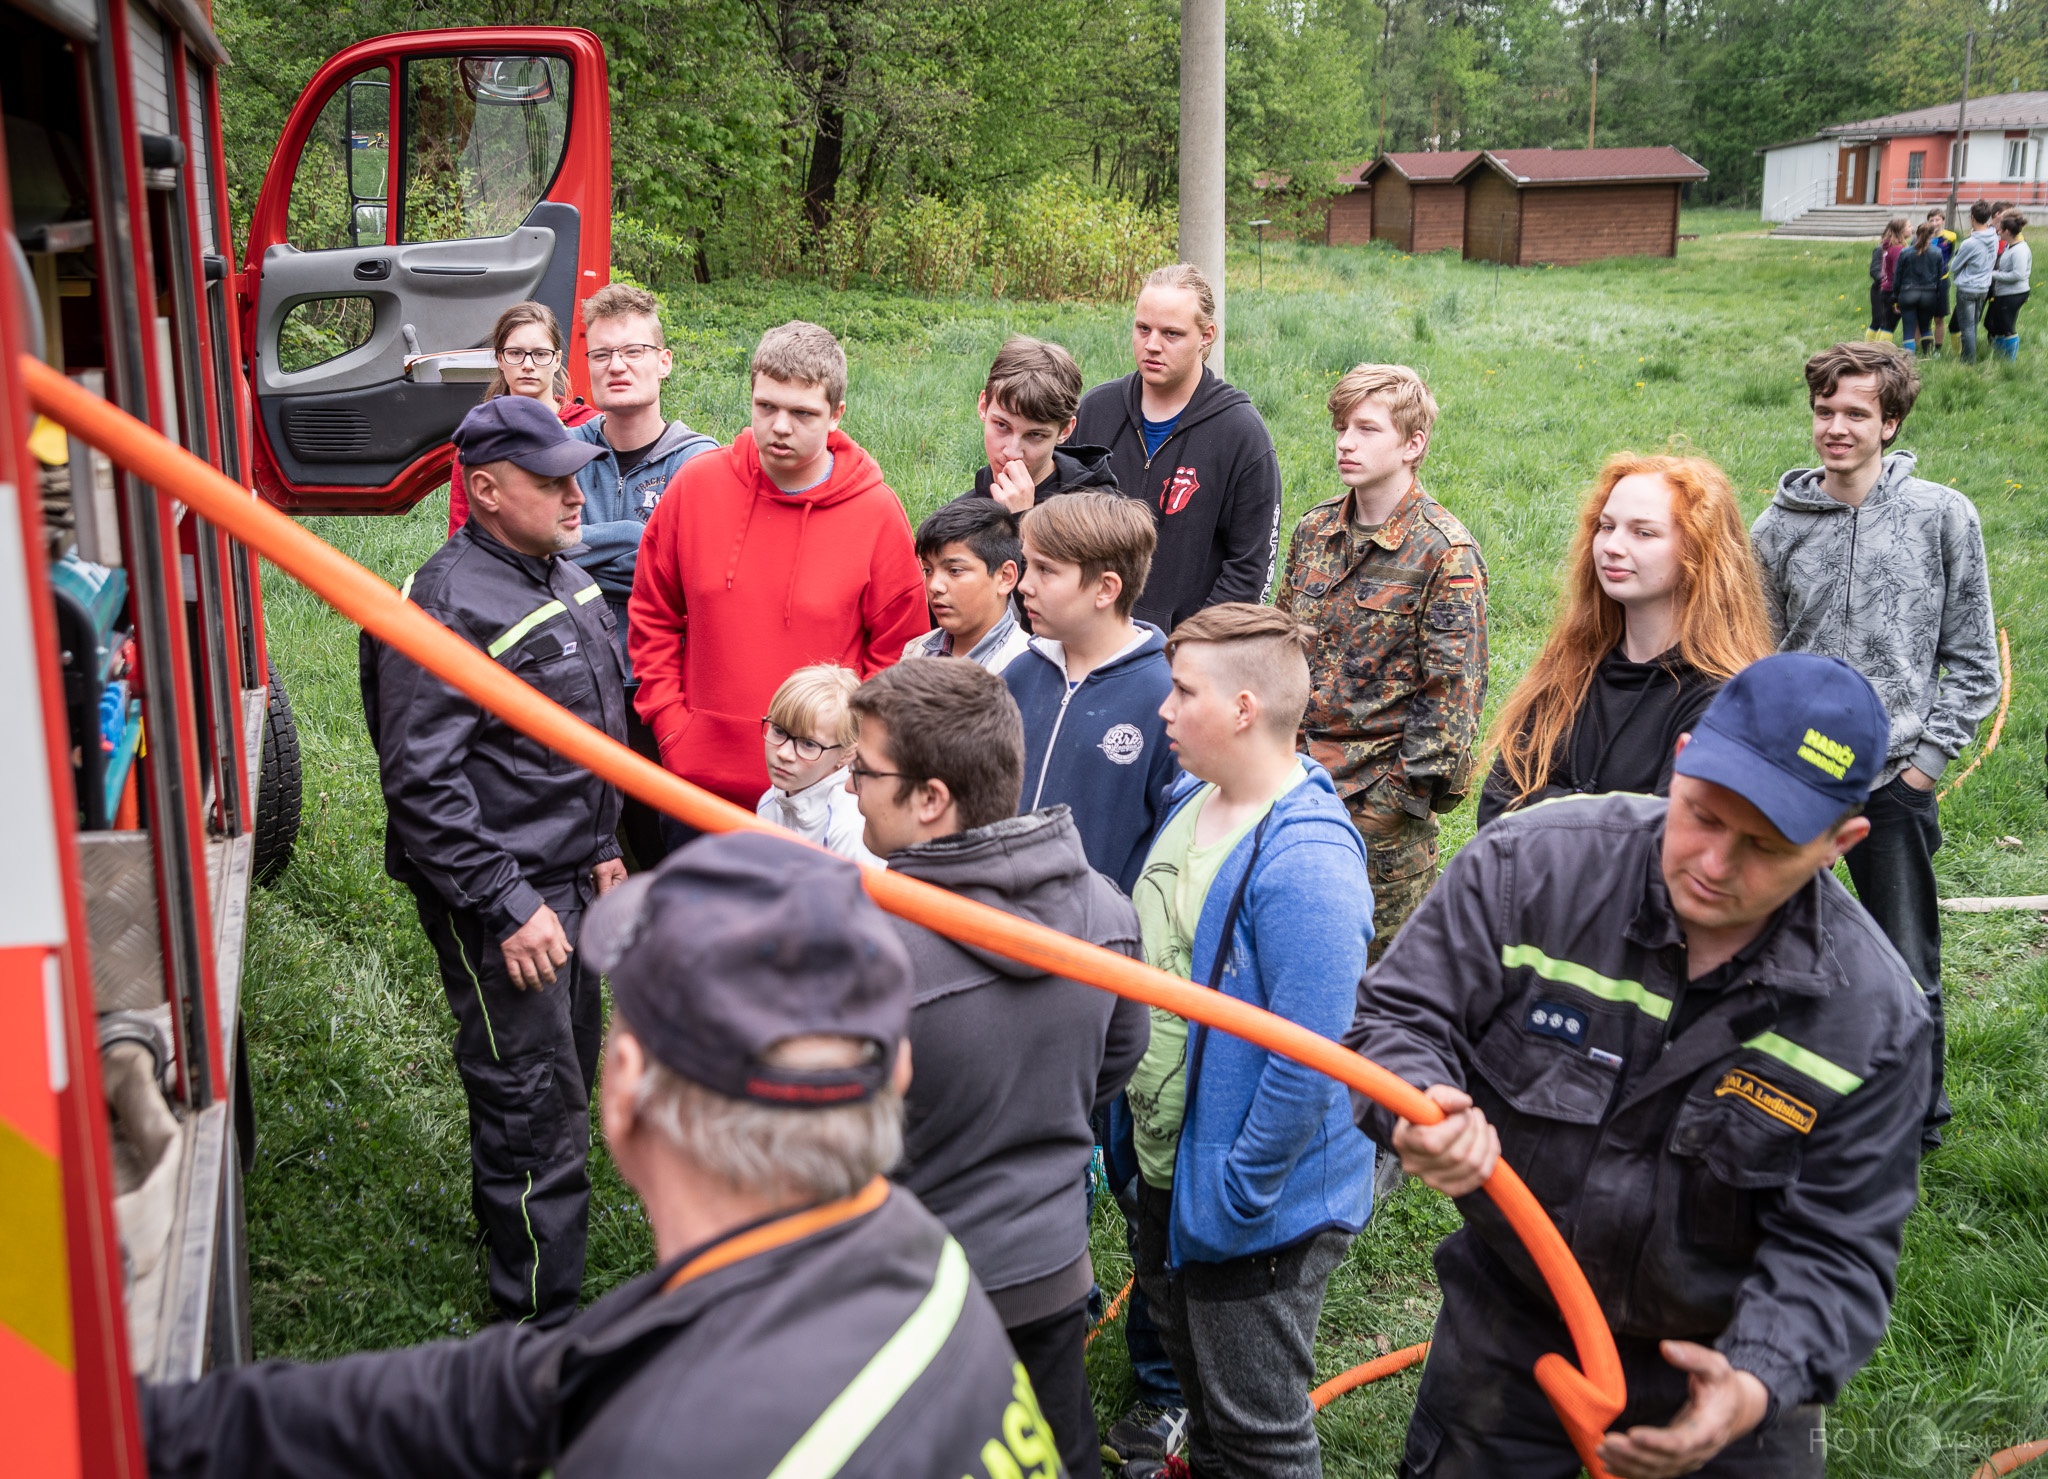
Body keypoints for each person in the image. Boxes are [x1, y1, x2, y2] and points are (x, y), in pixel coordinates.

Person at [143, 831, 1061, 1478]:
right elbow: (533, 1384)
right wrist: (148, 1429)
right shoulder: (903, 1248)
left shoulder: (664, 1449)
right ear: (891, 1073)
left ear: (620, 1086)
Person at [1346, 654, 1933, 1479]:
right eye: (1702, 814)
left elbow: (1838, 1245)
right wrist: (1419, 1100)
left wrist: (1757, 1380)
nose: (1715, 863)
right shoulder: (1530, 869)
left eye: (1765, 845)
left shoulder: (1872, 1018)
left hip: (1722, 1372)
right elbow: (1398, 1015)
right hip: (1513, 1334)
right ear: (1682, 756)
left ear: (1843, 841)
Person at [847, 657, 1149, 1479]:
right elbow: (1113, 1065)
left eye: (863, 769)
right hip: (1050, 1273)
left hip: (910, 1295)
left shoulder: (873, 955)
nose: (849, 788)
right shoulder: (1106, 909)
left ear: (931, 798)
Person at [361, 397, 623, 1325]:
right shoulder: (445, 606)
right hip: (506, 899)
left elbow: (585, 726)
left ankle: (531, 1255)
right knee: (532, 1105)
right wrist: (507, 904)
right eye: (549, 479)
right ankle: (536, 1331)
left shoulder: (563, 574)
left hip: (571, 880)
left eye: (574, 471)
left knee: (565, 1074)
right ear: (483, 489)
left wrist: (600, 846)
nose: (575, 492)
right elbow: (423, 786)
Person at [1125, 602, 1374, 1479]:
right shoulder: (1195, 796)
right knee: (1205, 1393)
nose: (1162, 709)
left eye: (1180, 691)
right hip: (1167, 1167)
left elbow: (1312, 1056)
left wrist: (1241, 1192)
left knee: (1258, 1430)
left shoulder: (1306, 861)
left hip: (1245, 1206)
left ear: (1242, 708)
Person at [1751, 341, 2000, 1150]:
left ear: (1890, 422)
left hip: (1895, 777)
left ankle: (1915, 1117)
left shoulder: (1942, 515)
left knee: (1904, 956)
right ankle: (1795, 1102)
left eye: (1856, 413)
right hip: (1802, 784)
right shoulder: (1778, 527)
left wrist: (1925, 767)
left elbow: (1972, 659)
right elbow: (1761, 656)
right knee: (1784, 947)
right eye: (1825, 410)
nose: (1836, 427)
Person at [629, 320, 928, 812]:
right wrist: (672, 728)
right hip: (695, 786)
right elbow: (652, 616)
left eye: (803, 413)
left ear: (837, 415)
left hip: (821, 800)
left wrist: (851, 757)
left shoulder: (876, 513)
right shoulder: (696, 487)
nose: (781, 426)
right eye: (766, 406)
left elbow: (898, 658)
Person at [1276, 363, 1487, 962]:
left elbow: (1451, 704)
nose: (1346, 442)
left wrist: (1392, 805)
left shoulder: (1445, 553)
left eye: (1367, 429)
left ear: (1412, 445)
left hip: (1379, 817)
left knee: (1370, 988)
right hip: (1291, 786)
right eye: (1342, 427)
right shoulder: (1315, 530)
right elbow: (1281, 648)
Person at [1477, 453, 1774, 828]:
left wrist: (1548, 803)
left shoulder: (1724, 699)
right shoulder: (1572, 663)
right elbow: (1495, 809)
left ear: (1698, 549)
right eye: (1606, 526)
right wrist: (1617, 817)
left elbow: (1666, 846)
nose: (1612, 546)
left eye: (1643, 532)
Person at [1071, 263, 1283, 633]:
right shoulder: (1097, 411)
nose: (1152, 345)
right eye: (1143, 329)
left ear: (1206, 336)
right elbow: (1063, 527)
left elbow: (1250, 569)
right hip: (1089, 637)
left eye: (1172, 333)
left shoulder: (1241, 434)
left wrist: (1190, 647)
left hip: (1186, 655)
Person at [1003, 491, 1178, 894]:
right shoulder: (1019, 675)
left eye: (1045, 570)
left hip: (1096, 943)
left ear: (1106, 589)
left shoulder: (1166, 699)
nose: (1024, 585)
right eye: (1028, 564)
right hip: (997, 927)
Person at [447, 301, 597, 535]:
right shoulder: (479, 439)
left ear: (557, 360)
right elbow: (462, 534)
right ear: (500, 358)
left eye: (540, 354)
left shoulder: (591, 427)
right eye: (515, 353)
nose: (528, 365)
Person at [961, 335, 1117, 513]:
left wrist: (1020, 517)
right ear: (983, 406)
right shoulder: (957, 516)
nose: (1012, 452)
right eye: (1002, 425)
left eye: (1035, 435)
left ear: (1065, 431)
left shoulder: (1098, 511)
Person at [757, 664, 877, 865]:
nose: (784, 753)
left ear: (847, 754)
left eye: (808, 744)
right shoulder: (770, 802)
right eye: (778, 730)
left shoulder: (850, 829)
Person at [902, 497, 1031, 673]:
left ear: (1005, 577)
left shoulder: (1025, 668)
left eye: (954, 570)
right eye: (928, 570)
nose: (935, 586)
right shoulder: (916, 651)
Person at [1948, 199, 2000, 362]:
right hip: (1984, 287)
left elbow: (1954, 266)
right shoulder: (1994, 236)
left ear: (1972, 217)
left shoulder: (1969, 243)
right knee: (1973, 325)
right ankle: (1970, 356)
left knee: (1967, 328)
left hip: (1968, 289)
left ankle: (1968, 361)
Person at [1891, 220, 1946, 355]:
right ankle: (1927, 355)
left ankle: (1909, 359)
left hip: (1908, 293)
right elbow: (1939, 277)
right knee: (1925, 327)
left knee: (1909, 329)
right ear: (1932, 236)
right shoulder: (1937, 252)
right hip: (1929, 295)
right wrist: (1937, 294)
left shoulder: (1905, 252)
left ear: (1917, 234)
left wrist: (1895, 298)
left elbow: (1897, 277)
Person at [1988, 210, 2031, 360]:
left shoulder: (2020, 250)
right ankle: (1999, 357)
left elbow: (2017, 275)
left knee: (2007, 326)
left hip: (2014, 293)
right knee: (1998, 326)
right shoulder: (2009, 246)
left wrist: (1992, 274)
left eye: (2000, 229)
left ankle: (2010, 362)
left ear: (2007, 231)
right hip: (2003, 292)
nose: (1997, 231)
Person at [1865, 216, 1907, 342]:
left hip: (1889, 288)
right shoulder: (1882, 249)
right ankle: (1869, 348)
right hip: (1881, 289)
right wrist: (1884, 280)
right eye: (1909, 227)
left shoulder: (1899, 248)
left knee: (1885, 322)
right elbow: (1874, 270)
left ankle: (1874, 348)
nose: (1912, 229)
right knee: (1878, 320)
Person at [1927, 208, 1957, 354]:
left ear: (1943, 221)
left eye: (1937, 220)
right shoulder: (1923, 237)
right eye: (1931, 220)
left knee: (1939, 318)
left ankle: (1937, 350)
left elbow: (1950, 254)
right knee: (1923, 318)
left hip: (1942, 281)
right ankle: (1923, 348)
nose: (1934, 223)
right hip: (1925, 283)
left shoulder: (1951, 237)